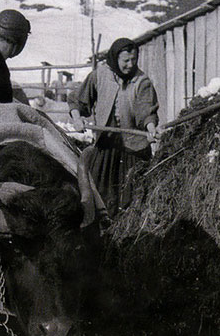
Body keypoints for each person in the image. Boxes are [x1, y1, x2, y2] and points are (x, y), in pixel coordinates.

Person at [68, 37, 159, 215]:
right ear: (114, 59)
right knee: (99, 197)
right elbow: (78, 100)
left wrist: (150, 129)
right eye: (125, 60)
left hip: (133, 149)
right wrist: (77, 118)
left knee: (133, 200)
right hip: (105, 147)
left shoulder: (142, 82)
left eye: (133, 60)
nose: (130, 65)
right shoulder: (100, 75)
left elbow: (146, 112)